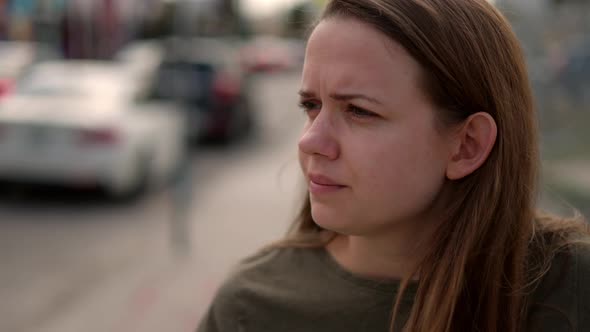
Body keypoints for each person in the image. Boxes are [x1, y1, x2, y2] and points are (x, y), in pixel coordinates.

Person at [196, 0, 590, 331]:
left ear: (466, 146)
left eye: (358, 111)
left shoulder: (571, 289)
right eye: (311, 106)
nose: (309, 141)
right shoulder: (249, 308)